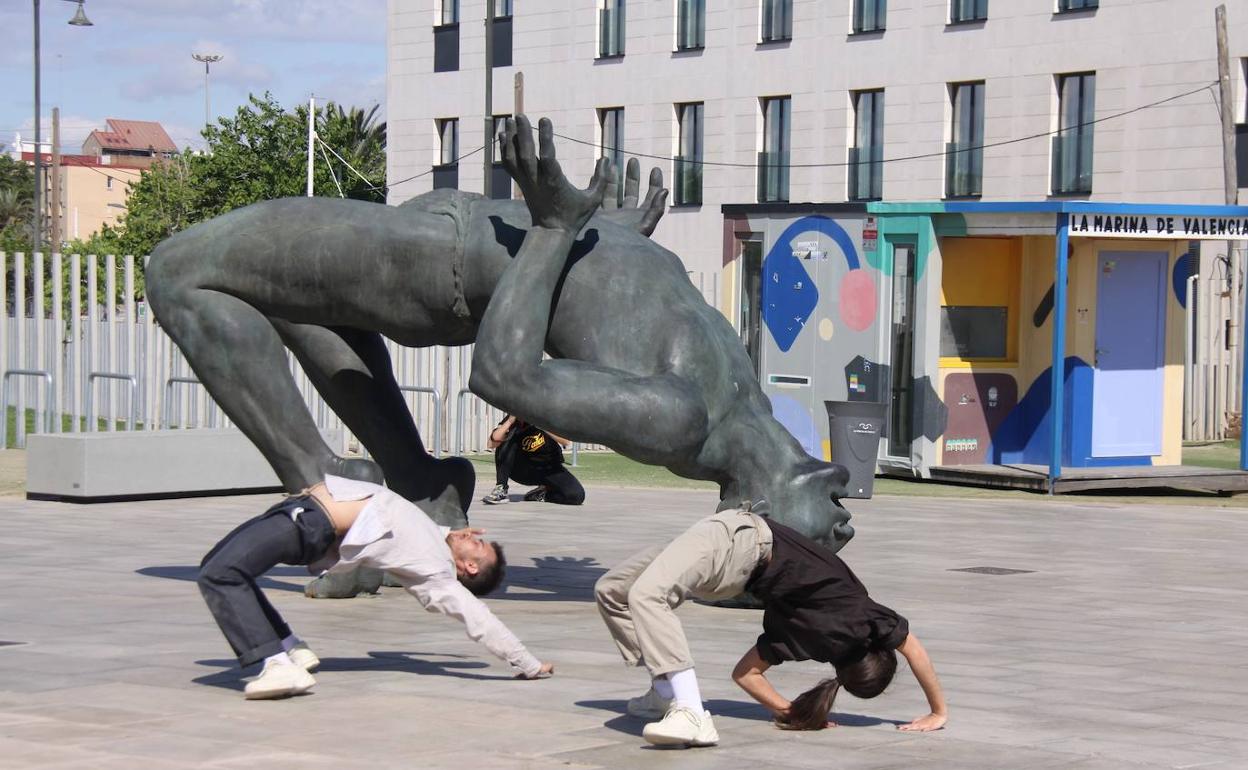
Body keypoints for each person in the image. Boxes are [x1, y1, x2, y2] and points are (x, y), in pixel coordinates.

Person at [145, 114, 855, 555]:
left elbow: (504, 376)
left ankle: (323, 494)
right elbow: (613, 310)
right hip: (457, 233)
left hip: (441, 266)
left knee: (179, 271)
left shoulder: (680, 421)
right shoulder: (744, 395)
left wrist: (554, 231)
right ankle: (416, 481)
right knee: (294, 296)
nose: (844, 518)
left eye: (821, 533)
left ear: (753, 514)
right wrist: (609, 237)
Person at [594, 507, 947, 748]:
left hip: (740, 542)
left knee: (646, 594)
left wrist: (938, 711)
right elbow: (746, 675)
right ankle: (665, 693)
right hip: (734, 565)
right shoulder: (805, 640)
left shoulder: (856, 613)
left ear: (874, 651)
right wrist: (792, 712)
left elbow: (912, 648)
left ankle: (691, 712)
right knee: (614, 591)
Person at [197, 474, 554, 700]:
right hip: (299, 509)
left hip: (310, 524)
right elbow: (414, 530)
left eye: (478, 545)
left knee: (221, 573)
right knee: (219, 566)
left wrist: (527, 662)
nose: (471, 535)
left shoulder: (436, 575)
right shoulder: (433, 540)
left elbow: (478, 618)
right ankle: (291, 648)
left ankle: (275, 664)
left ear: (470, 567)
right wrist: (450, 533)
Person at [482, 414, 585, 505]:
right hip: (525, 471)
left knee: (577, 496)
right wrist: (509, 422)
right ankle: (501, 489)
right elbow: (491, 443)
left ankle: (541, 495)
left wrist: (540, 424)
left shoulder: (545, 417)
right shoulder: (513, 421)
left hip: (550, 469)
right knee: (505, 438)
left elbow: (566, 441)